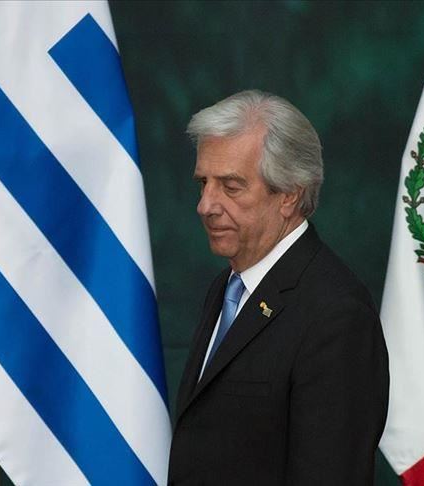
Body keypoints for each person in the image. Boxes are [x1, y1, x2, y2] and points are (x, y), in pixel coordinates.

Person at [168, 90, 389, 485]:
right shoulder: (226, 287)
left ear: (289, 195)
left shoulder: (337, 314)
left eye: (230, 186)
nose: (205, 205)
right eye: (203, 183)